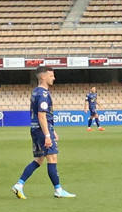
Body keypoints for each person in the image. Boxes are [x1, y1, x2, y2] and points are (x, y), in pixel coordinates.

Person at [12, 68, 75, 198]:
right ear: (43, 77)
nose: (54, 78)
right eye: (51, 75)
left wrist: (53, 130)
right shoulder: (44, 94)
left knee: (38, 159)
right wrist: (47, 135)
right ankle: (58, 190)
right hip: (42, 130)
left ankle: (19, 185)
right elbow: (42, 116)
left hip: (35, 129)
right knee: (52, 158)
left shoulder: (35, 91)